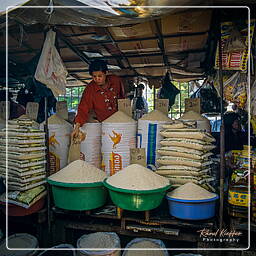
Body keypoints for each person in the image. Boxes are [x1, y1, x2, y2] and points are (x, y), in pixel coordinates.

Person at [72, 60, 125, 138]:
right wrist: (76, 127)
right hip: (104, 126)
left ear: (106, 73)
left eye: (100, 76)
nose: (97, 79)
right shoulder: (90, 89)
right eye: (94, 76)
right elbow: (83, 109)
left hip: (120, 122)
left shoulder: (116, 81)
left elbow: (123, 100)